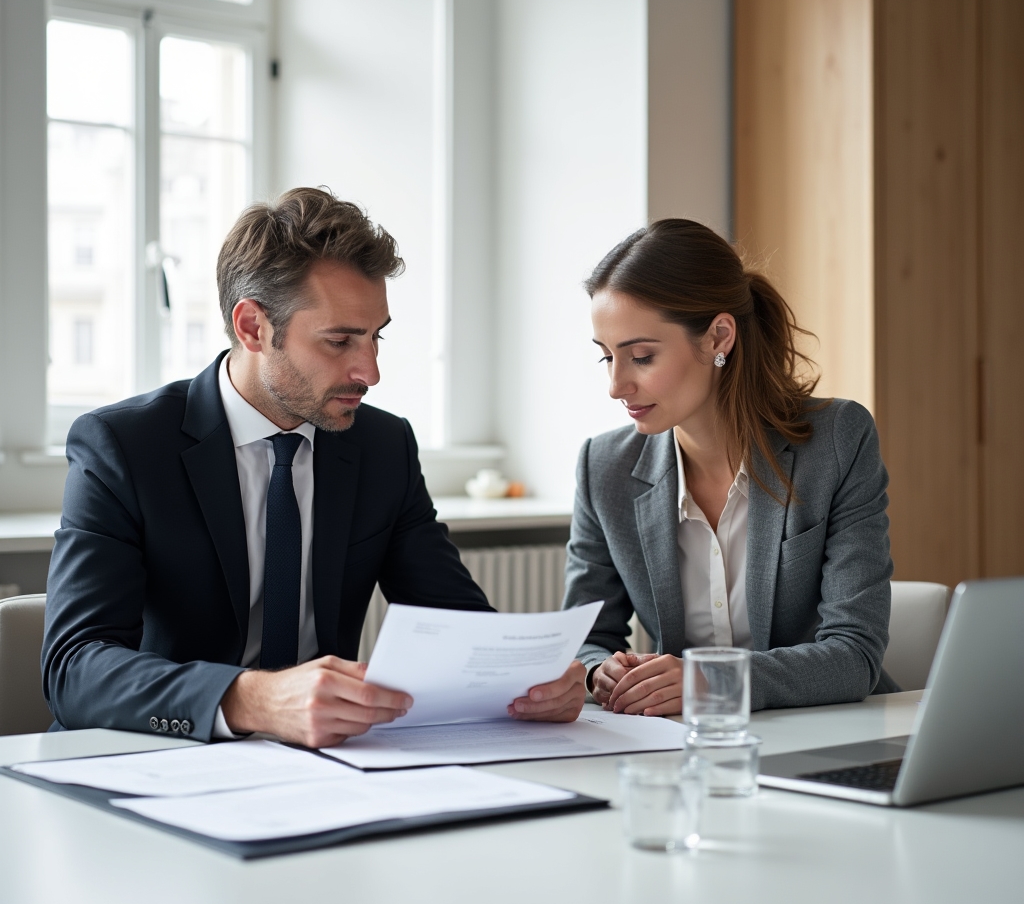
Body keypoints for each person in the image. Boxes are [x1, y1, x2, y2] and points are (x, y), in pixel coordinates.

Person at [43, 188, 586, 746]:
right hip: (154, 758)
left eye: (376, 337)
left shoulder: (382, 445)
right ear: (253, 327)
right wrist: (252, 698)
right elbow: (74, 668)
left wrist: (528, 679)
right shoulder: (124, 446)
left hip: (326, 769)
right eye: (339, 341)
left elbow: (458, 624)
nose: (370, 371)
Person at [562, 219, 897, 716]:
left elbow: (854, 654)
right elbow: (586, 639)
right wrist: (599, 672)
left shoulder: (836, 441)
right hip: (680, 744)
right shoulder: (604, 467)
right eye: (606, 357)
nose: (616, 385)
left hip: (827, 730)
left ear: (719, 336)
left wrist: (711, 681)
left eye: (641, 356)